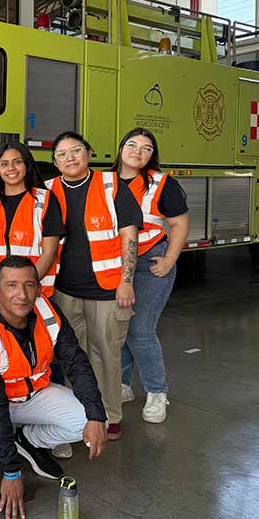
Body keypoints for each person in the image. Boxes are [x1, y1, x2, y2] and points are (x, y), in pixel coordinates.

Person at [0, 257, 107, 518]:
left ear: (39, 288)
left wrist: (96, 413)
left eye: (29, 285)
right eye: (11, 285)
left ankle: (28, 439)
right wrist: (11, 470)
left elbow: (76, 362)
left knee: (87, 419)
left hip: (31, 395)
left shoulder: (48, 312)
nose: (21, 294)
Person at [46, 131, 141, 441]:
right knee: (73, 357)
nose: (70, 157)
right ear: (55, 161)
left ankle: (111, 416)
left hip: (107, 289)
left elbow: (130, 236)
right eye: (62, 154)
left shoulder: (112, 185)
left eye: (76, 151)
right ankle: (83, 417)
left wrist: (126, 282)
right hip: (64, 290)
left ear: (88, 153)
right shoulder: (48, 191)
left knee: (106, 354)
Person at [112, 128, 188, 424]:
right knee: (122, 328)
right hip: (113, 266)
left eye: (146, 148)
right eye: (132, 144)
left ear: (151, 155)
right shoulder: (105, 181)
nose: (137, 151)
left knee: (141, 330)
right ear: (121, 148)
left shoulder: (162, 184)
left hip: (150, 263)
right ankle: (123, 384)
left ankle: (157, 392)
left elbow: (180, 224)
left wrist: (170, 259)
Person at [0, 141, 63, 296]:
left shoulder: (45, 200)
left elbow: (50, 253)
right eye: (4, 164)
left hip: (35, 293)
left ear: (27, 165)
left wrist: (24, 289)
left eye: (17, 162)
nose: (11, 168)